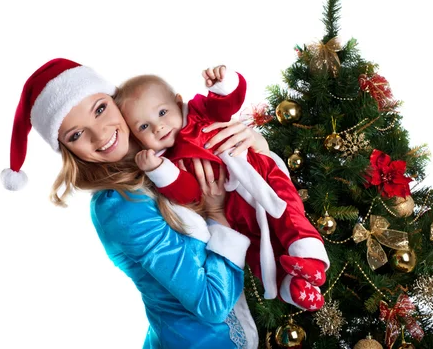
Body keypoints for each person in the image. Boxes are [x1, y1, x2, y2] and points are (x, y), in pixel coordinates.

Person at [0, 58, 272, 348]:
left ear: (116, 99)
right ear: (67, 149)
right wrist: (217, 213)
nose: (100, 133)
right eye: (76, 134)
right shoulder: (121, 207)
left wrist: (254, 144)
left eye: (100, 109)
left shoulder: (164, 141)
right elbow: (212, 303)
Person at [114, 65, 330, 310]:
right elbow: (189, 193)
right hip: (232, 211)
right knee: (256, 250)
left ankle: (309, 257)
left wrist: (224, 84)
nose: (158, 127)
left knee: (287, 214)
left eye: (162, 112)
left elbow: (227, 105)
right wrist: (158, 171)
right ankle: (292, 287)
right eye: (144, 127)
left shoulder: (198, 113)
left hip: (259, 177)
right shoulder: (167, 162)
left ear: (178, 102)